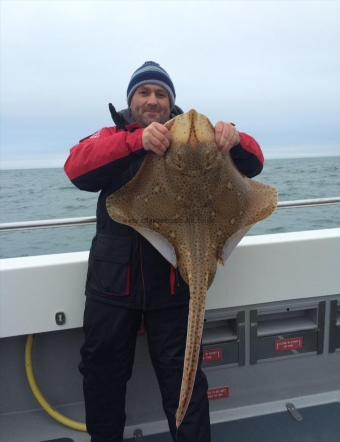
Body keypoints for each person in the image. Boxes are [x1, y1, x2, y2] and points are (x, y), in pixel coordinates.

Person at [64, 61, 264, 442]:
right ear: (131, 100)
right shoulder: (113, 136)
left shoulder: (197, 139)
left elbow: (254, 164)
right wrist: (136, 142)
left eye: (161, 94)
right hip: (112, 284)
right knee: (101, 371)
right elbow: (76, 167)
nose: (153, 100)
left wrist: (235, 138)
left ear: (171, 101)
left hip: (174, 282)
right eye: (145, 93)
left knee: (184, 377)